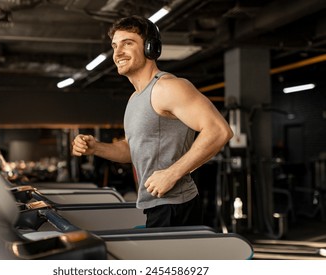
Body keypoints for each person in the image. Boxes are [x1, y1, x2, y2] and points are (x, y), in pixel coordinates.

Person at [72, 15, 233, 228]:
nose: (118, 52)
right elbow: (132, 149)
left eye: (127, 43)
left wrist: (172, 173)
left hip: (175, 205)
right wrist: (96, 148)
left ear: (150, 48)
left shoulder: (168, 87)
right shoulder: (135, 98)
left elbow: (219, 131)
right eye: (114, 45)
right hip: (156, 204)